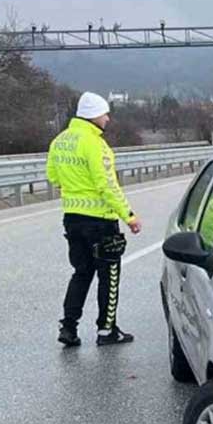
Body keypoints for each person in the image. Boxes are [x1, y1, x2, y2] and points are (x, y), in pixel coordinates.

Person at [46, 92, 142, 347]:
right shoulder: (96, 145)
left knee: (81, 272)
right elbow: (107, 185)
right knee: (109, 275)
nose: (107, 118)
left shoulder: (59, 141)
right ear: (94, 116)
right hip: (100, 221)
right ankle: (106, 330)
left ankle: (68, 327)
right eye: (104, 114)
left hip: (72, 219)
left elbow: (53, 177)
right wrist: (129, 215)